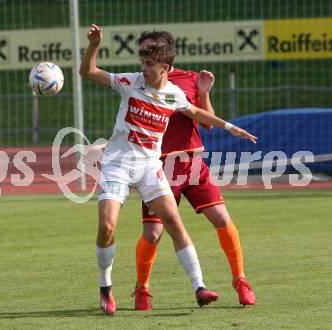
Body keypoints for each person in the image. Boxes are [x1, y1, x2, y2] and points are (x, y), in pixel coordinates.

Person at [79, 24, 257, 316]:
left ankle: (200, 286)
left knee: (175, 223)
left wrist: (230, 126)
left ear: (166, 66)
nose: (143, 67)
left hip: (152, 166)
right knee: (109, 227)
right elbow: (89, 72)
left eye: (149, 63)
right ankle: (106, 286)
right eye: (142, 61)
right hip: (119, 165)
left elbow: (196, 112)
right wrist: (94, 45)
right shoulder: (130, 81)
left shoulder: (175, 92)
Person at [133, 31, 257, 311]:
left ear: (165, 54)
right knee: (153, 233)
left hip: (192, 162)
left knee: (222, 217)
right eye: (142, 51)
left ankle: (241, 280)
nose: (143, 57)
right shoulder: (139, 81)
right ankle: (142, 289)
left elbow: (207, 122)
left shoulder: (189, 78)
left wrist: (203, 92)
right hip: (157, 166)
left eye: (149, 50)